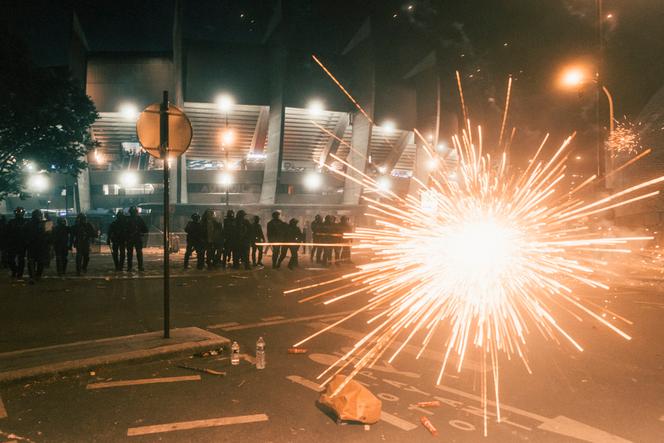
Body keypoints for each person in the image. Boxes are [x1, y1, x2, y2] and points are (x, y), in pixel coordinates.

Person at [25, 209, 50, 283]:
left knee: (38, 262)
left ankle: (35, 276)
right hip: (34, 245)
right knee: (34, 262)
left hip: (39, 245)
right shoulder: (29, 224)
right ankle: (34, 276)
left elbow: (49, 233)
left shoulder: (41, 223)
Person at [7, 207, 27, 279]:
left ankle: (19, 273)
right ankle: (15, 270)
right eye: (17, 212)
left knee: (21, 259)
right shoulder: (11, 222)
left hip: (22, 243)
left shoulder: (26, 222)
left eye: (20, 212)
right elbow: (7, 232)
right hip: (13, 243)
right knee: (10, 259)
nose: (19, 213)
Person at [125, 206, 147, 272]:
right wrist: (140, 232)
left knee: (130, 254)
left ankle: (130, 267)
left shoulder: (127, 219)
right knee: (139, 253)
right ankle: (140, 267)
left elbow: (125, 230)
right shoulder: (139, 219)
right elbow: (145, 229)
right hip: (137, 238)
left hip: (130, 238)